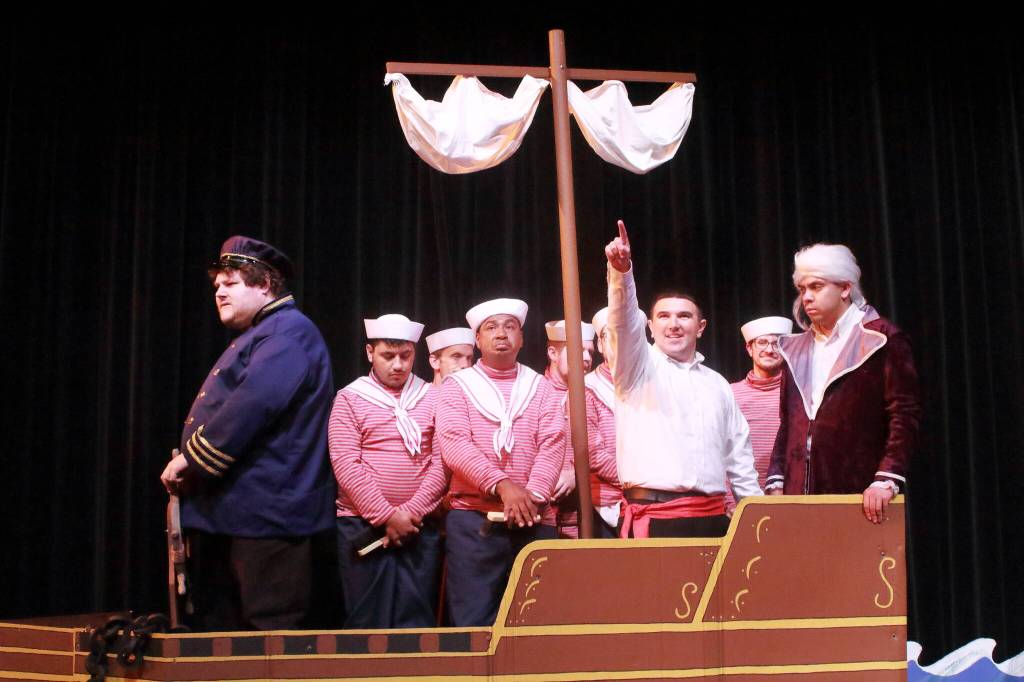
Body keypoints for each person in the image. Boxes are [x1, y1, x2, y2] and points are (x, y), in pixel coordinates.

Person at [160, 235, 335, 631]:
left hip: (268, 515)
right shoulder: (266, 332)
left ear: (265, 284)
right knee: (229, 632)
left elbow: (254, 403)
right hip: (241, 512)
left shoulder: (287, 333)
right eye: (217, 284)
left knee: (269, 633)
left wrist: (192, 459)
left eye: (231, 282)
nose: (219, 291)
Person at [604, 220, 761, 539]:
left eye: (684, 316)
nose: (673, 324)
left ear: (701, 327)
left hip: (712, 520)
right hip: (656, 518)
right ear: (650, 326)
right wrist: (621, 272)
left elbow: (739, 457)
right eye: (664, 316)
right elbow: (623, 323)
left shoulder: (717, 383)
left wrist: (757, 521)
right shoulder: (636, 367)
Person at [766, 243, 921, 524]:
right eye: (802, 290)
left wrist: (886, 477)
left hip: (858, 493)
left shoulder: (881, 338)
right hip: (798, 494)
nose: (807, 298)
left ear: (845, 288)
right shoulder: (794, 348)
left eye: (816, 287)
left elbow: (904, 413)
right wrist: (777, 479)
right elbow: (788, 422)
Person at [436, 298, 565, 626]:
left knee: (539, 622)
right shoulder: (457, 387)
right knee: (476, 621)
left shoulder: (542, 388)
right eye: (491, 327)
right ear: (477, 340)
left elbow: (552, 446)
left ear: (521, 338)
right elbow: (454, 445)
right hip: (474, 522)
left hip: (535, 519)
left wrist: (530, 497)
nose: (501, 334)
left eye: (510, 326)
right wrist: (504, 486)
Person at [328, 314, 446, 628]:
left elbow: (441, 462)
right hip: (361, 524)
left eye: (405, 356)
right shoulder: (350, 399)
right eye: (388, 356)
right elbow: (346, 464)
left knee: (417, 617)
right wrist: (386, 515)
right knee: (366, 619)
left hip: (418, 525)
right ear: (370, 353)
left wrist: (410, 513)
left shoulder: (431, 397)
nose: (398, 365)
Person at [726, 316, 793, 513]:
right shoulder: (729, 393)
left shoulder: (798, 393)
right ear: (749, 348)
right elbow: (718, 449)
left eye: (777, 343)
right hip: (740, 502)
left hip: (789, 497)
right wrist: (729, 501)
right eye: (762, 342)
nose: (770, 349)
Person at [542, 320, 595, 538]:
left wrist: (577, 472)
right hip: (542, 511)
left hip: (586, 512)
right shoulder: (531, 391)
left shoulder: (595, 394)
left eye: (590, 352)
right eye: (578, 350)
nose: (586, 358)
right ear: (553, 353)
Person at [584, 307, 624, 537]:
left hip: (660, 501)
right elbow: (593, 453)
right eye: (610, 334)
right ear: (599, 345)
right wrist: (639, 477)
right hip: (606, 507)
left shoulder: (659, 384)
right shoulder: (586, 389)